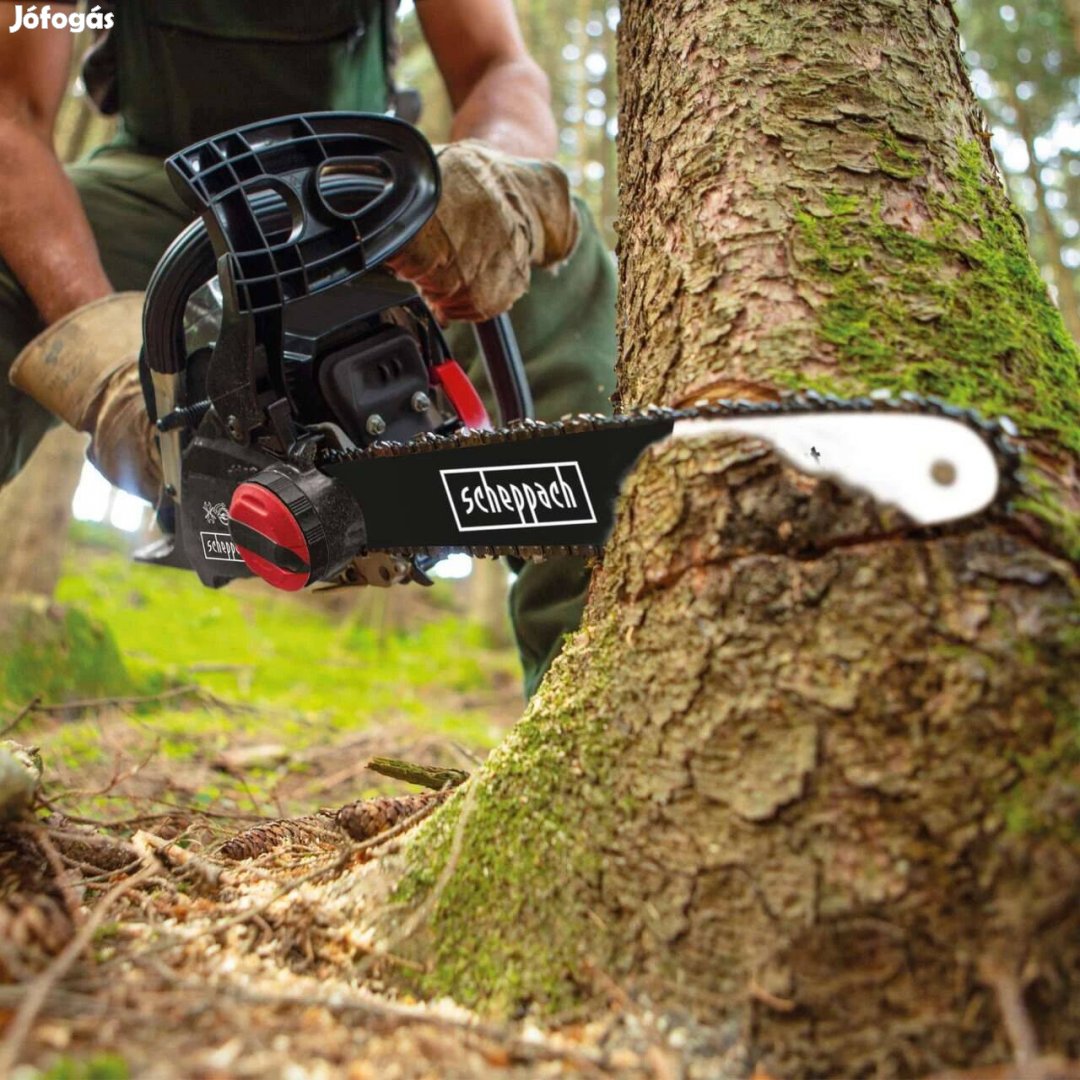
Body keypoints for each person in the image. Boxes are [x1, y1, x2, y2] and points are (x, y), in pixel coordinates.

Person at [0, 1, 617, 697]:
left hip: (352, 189)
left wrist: (492, 169)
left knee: (556, 277)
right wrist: (100, 349)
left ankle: (603, 703)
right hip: (155, 185)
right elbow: (10, 113)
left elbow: (497, 63)